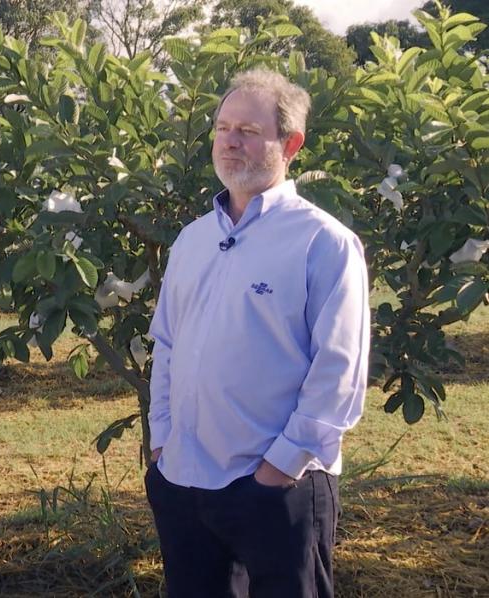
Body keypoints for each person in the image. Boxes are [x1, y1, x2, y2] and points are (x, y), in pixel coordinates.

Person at [144, 68, 369, 598]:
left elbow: (338, 374)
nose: (230, 142)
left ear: (290, 143)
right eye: (222, 128)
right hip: (184, 481)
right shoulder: (193, 239)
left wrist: (277, 471)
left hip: (276, 488)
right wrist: (161, 445)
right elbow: (168, 345)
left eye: (248, 130)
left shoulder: (323, 242)